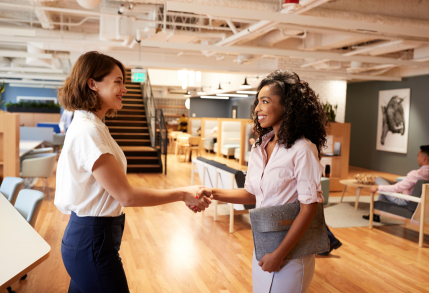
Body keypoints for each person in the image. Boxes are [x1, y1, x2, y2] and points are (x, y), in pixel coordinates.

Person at [54, 51, 211, 293]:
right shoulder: (89, 131)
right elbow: (126, 196)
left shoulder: (93, 125)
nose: (124, 89)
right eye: (118, 82)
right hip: (92, 241)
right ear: (92, 84)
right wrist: (182, 193)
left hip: (90, 239)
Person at [198, 70, 328, 293]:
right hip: (264, 242)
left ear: (287, 106)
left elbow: (309, 209)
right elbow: (251, 194)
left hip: (290, 252)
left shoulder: (303, 149)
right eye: (258, 101)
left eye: (265, 101)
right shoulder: (259, 146)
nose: (257, 108)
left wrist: (279, 255)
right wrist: (212, 192)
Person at [363, 145, 429, 222]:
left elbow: (396, 188)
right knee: (386, 185)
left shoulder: (416, 174)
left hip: (404, 200)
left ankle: (375, 215)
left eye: (418, 156)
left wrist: (378, 187)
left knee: (379, 180)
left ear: (424, 158)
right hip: (421, 204)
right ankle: (375, 215)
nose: (417, 158)